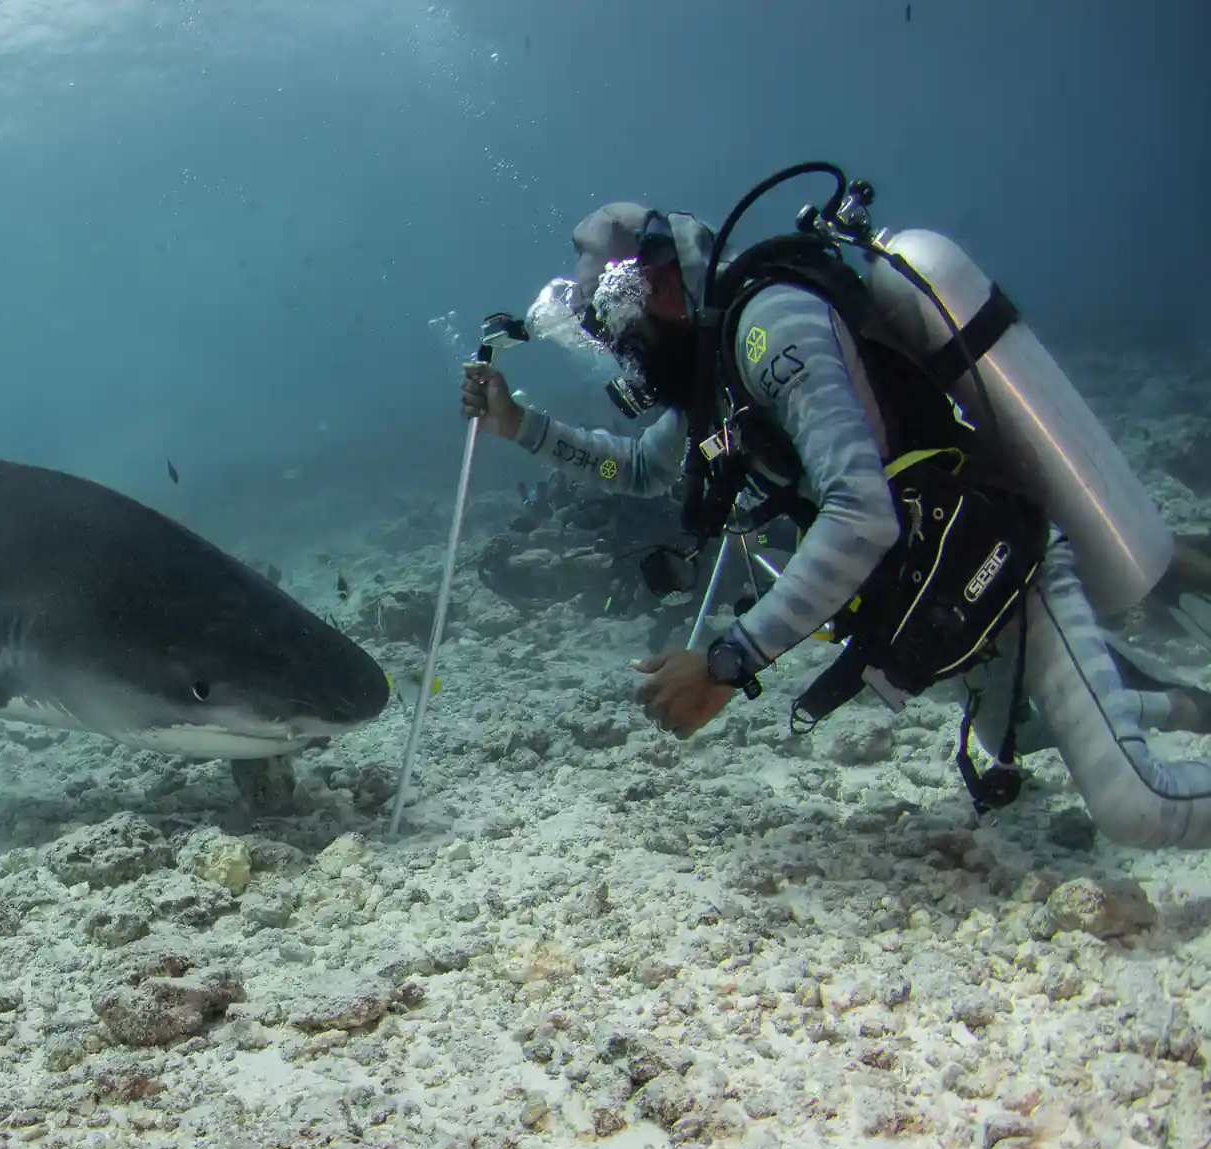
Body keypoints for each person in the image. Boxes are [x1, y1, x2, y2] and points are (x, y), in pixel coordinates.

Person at [458, 186, 1211, 848]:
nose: (625, 354)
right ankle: (1187, 702)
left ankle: (1145, 683)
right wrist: (520, 425)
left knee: (1134, 805)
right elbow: (644, 467)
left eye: (620, 327)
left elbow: (861, 513)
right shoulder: (717, 379)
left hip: (1001, 562)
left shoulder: (768, 329)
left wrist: (728, 664)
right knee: (1018, 731)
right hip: (943, 590)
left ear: (659, 284)